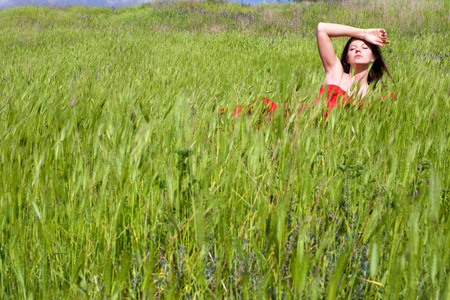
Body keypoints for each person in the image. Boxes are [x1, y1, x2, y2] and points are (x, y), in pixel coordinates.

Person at [225, 22, 392, 117]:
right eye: (352, 48)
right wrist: (363, 33)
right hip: (299, 122)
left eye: (363, 47)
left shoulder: (374, 98)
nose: (357, 50)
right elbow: (322, 29)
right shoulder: (337, 73)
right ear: (346, 58)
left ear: (373, 57)